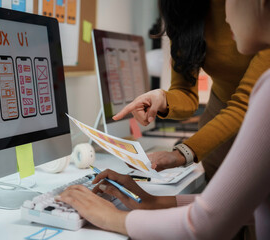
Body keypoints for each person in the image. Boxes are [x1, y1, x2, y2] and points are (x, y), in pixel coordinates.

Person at [56, 0, 270, 239]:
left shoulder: (266, 91)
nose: (225, 19)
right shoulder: (184, 9)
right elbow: (241, 211)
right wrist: (152, 202)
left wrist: (111, 217)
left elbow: (208, 225)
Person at [113, 0, 270, 181]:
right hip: (218, 124)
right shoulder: (182, 7)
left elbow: (246, 103)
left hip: (259, 116)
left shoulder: (255, 10)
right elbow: (184, 91)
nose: (227, 19)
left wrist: (183, 153)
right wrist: (162, 98)